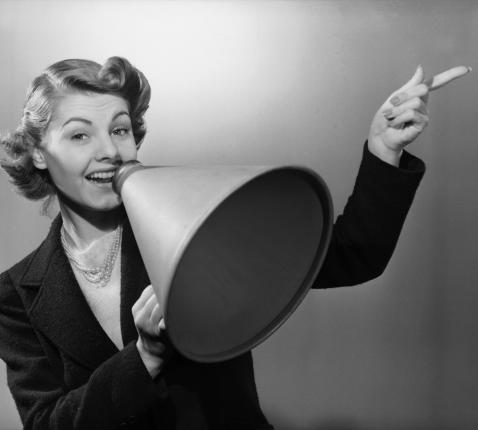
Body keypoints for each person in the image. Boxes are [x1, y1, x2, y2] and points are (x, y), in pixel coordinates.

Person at [0, 56, 470, 430]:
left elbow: (354, 255)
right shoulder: (15, 294)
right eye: (80, 134)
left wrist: (384, 149)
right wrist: (145, 357)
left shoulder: (192, 220)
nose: (109, 150)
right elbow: (47, 423)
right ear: (39, 153)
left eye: (119, 129)